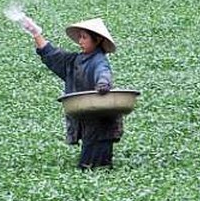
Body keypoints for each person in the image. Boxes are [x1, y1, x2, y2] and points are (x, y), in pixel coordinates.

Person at [20, 16, 123, 170]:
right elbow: (52, 55)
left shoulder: (99, 60)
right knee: (89, 162)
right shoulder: (76, 60)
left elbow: (103, 73)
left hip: (101, 120)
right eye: (80, 37)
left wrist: (103, 84)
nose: (80, 41)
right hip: (88, 116)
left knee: (95, 164)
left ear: (98, 40)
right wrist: (36, 33)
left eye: (84, 37)